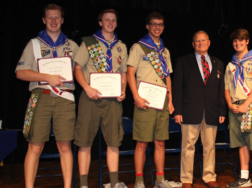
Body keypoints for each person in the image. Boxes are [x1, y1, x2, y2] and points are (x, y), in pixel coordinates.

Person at [15, 4, 79, 188]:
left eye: (57, 17)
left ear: (62, 20)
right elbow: (20, 73)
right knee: (35, 146)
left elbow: (83, 73)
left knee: (65, 146)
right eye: (49, 18)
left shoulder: (72, 46)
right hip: (40, 97)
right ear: (43, 20)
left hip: (65, 99)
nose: (53, 21)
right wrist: (46, 77)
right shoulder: (33, 44)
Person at [73, 9, 128, 188]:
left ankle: (113, 183)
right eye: (106, 20)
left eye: (113, 20)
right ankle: (83, 184)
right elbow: (77, 69)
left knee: (113, 142)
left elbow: (124, 72)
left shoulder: (121, 46)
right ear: (100, 22)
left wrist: (123, 89)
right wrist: (87, 88)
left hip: (113, 100)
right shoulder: (89, 43)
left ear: (116, 23)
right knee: (85, 142)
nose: (110, 23)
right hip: (90, 97)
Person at [126, 11, 174, 188]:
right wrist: (136, 97)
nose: (157, 27)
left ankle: (160, 180)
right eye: (154, 24)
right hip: (144, 102)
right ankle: (139, 180)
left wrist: (171, 100)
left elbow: (168, 77)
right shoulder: (138, 47)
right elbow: (130, 73)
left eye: (160, 24)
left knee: (160, 142)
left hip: (162, 101)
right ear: (147, 26)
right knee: (142, 143)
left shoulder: (165, 51)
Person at [173, 30, 226, 188]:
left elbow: (221, 89)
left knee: (210, 146)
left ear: (209, 42)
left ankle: (209, 176)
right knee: (187, 146)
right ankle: (186, 179)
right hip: (189, 110)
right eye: (197, 41)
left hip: (212, 110)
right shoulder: (183, 61)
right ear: (193, 44)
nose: (200, 43)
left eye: (203, 40)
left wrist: (222, 111)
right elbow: (177, 88)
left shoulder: (218, 63)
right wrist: (177, 111)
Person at [224, 28, 252, 188]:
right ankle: (244, 177)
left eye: (241, 40)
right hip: (234, 107)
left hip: (250, 106)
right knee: (241, 142)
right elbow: (227, 88)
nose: (237, 43)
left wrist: (245, 105)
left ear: (247, 41)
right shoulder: (231, 65)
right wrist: (230, 104)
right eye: (235, 41)